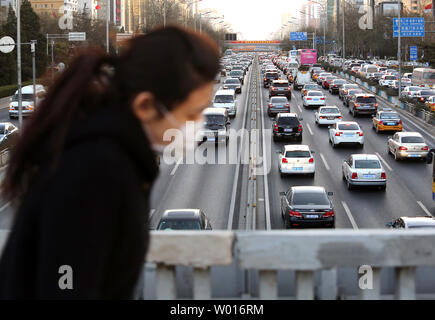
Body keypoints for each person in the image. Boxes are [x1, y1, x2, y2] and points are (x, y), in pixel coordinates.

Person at [0, 26, 220, 299]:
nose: (198, 126)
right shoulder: (97, 169)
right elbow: (66, 285)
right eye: (192, 114)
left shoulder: (108, 149)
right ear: (145, 106)